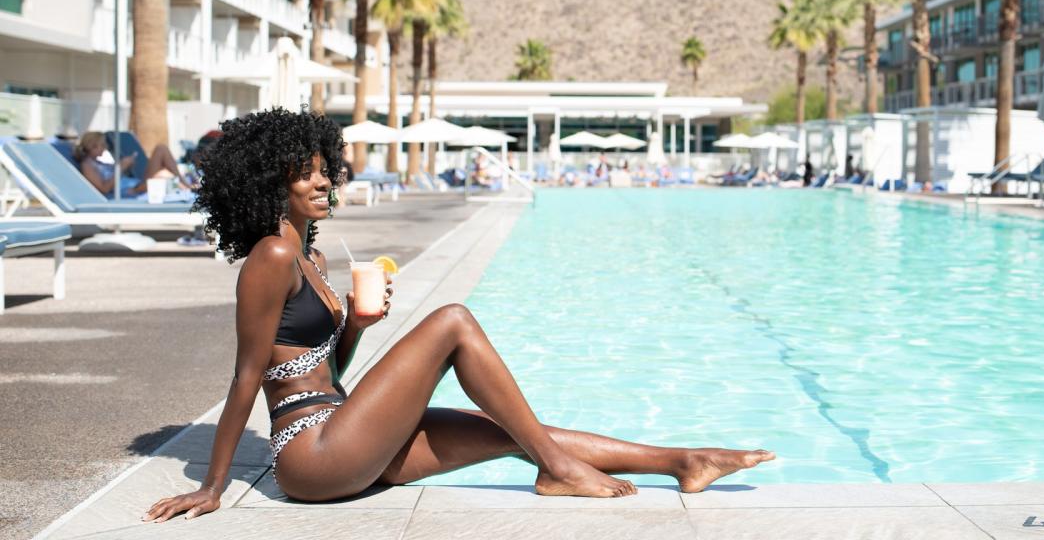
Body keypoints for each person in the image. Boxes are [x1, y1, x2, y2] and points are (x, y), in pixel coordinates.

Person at [143, 108, 772, 523]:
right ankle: (557, 468)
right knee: (452, 320)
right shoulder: (272, 254)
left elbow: (323, 370)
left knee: (506, 429)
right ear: (269, 183)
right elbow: (248, 376)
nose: (322, 185)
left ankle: (682, 461)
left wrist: (356, 327)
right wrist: (214, 485)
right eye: (303, 176)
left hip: (346, 431)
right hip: (312, 456)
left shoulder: (310, 252)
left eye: (323, 172)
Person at [74, 131, 191, 198]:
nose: (105, 149)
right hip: (131, 190)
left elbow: (114, 177)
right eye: (102, 146)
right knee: (161, 152)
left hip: (134, 184)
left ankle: (182, 184)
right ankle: (183, 184)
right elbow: (104, 189)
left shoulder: (97, 162)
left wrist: (125, 166)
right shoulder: (87, 165)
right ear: (92, 146)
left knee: (162, 154)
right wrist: (121, 167)